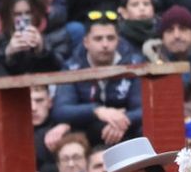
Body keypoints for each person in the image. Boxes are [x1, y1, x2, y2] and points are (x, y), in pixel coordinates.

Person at [50, 11, 144, 147]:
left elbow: (143, 109)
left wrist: (121, 120)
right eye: (98, 39)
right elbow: (61, 110)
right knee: (58, 134)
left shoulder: (135, 64)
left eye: (110, 38)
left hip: (127, 131)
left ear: (118, 40)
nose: (105, 44)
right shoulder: (72, 67)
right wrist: (97, 111)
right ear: (86, 42)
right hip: (87, 131)